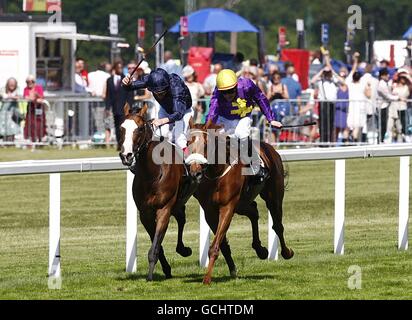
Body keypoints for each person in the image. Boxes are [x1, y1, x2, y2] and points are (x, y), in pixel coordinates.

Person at [207, 69, 282, 181]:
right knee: (213, 138)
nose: (227, 95)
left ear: (236, 86)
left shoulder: (247, 85)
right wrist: (207, 126)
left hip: (243, 116)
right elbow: (213, 110)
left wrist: (271, 119)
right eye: (224, 92)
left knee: (240, 134)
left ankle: (256, 166)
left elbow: (260, 99)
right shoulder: (218, 92)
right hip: (224, 117)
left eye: (231, 91)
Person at [122, 67, 194, 153]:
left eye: (161, 93)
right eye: (155, 92)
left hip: (184, 111)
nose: (159, 95)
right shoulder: (150, 80)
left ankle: (188, 161)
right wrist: (127, 84)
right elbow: (129, 87)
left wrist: (162, 121)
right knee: (160, 136)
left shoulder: (176, 86)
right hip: (165, 109)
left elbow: (178, 114)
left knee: (179, 140)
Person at [105, 61, 128, 150]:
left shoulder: (125, 79)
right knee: (117, 126)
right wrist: (107, 107)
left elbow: (129, 94)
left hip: (124, 107)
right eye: (118, 67)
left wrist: (128, 106)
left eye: (121, 67)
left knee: (123, 127)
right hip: (115, 107)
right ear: (115, 68)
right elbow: (108, 95)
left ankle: (123, 144)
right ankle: (119, 143)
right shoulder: (109, 80)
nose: (120, 69)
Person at [377, 68, 400, 143]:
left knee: (384, 125)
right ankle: (380, 140)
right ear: (382, 76)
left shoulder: (386, 83)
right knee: (382, 125)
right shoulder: (381, 85)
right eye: (386, 74)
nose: (388, 75)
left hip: (386, 106)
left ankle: (382, 139)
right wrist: (398, 98)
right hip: (382, 107)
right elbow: (388, 96)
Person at [23, 75, 46, 142]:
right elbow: (26, 97)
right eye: (28, 82)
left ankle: (40, 138)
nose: (30, 83)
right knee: (31, 124)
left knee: (40, 123)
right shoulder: (26, 89)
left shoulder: (39, 87)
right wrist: (35, 98)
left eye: (32, 81)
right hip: (31, 109)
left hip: (39, 108)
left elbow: (41, 97)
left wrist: (36, 96)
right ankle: (32, 139)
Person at [390, 73, 410, 142]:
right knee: (395, 126)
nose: (403, 79)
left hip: (402, 108)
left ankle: (403, 139)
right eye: (402, 78)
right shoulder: (394, 86)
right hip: (394, 109)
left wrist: (408, 77)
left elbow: (404, 94)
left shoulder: (406, 87)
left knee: (402, 125)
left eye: (404, 78)